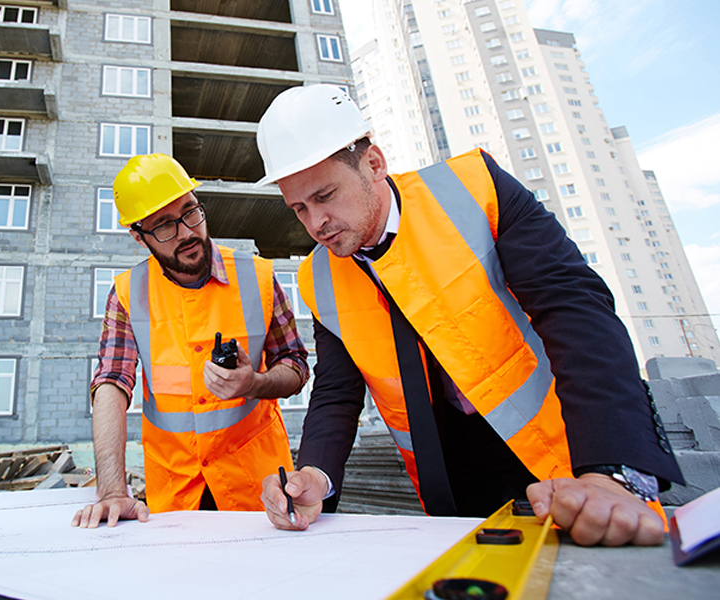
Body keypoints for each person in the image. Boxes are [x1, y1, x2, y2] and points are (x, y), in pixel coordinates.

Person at [254, 84, 683, 547]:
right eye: (299, 208)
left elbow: (574, 309)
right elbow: (336, 392)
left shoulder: (475, 189)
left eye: (325, 195)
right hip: (450, 481)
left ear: (374, 164)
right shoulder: (318, 277)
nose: (315, 222)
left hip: (565, 456)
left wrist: (610, 468)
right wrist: (315, 475)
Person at [72, 153, 310, 528]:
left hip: (258, 490)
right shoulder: (128, 294)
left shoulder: (258, 277)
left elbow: (295, 366)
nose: (186, 233)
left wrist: (255, 383)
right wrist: (112, 491)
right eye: (164, 226)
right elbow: (111, 384)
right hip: (176, 495)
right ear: (138, 236)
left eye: (190, 212)